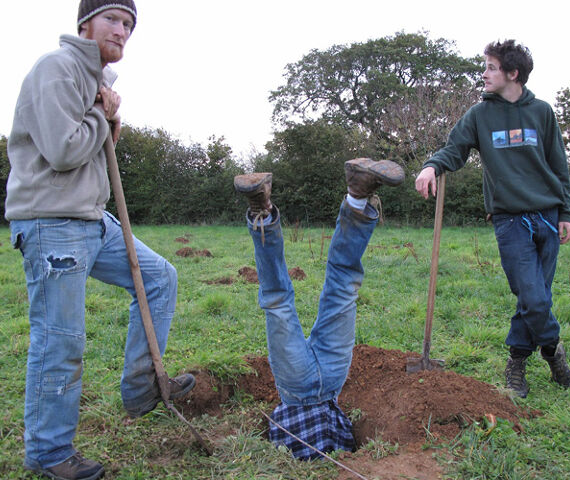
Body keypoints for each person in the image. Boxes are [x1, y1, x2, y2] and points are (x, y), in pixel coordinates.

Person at [5, 2, 195, 478]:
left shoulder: (98, 81)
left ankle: (140, 387)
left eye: (129, 25)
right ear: (84, 24)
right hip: (53, 221)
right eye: (113, 19)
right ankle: (50, 454)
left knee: (159, 278)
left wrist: (105, 114)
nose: (122, 31)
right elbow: (64, 149)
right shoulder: (57, 69)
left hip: (92, 217)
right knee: (60, 341)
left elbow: (91, 143)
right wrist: (101, 117)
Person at [415, 39, 570, 399]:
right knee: (534, 299)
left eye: (491, 67)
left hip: (548, 217)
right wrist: (431, 165)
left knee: (536, 297)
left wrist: (565, 212)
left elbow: (559, 164)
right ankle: (552, 352)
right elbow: (454, 149)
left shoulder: (542, 112)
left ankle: (517, 361)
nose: (484, 74)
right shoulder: (479, 115)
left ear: (512, 73)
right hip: (509, 220)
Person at [234, 158, 404, 459]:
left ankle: (262, 210)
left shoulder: (281, 436)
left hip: (297, 386)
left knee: (278, 301)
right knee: (340, 289)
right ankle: (357, 195)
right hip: (333, 376)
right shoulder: (333, 433)